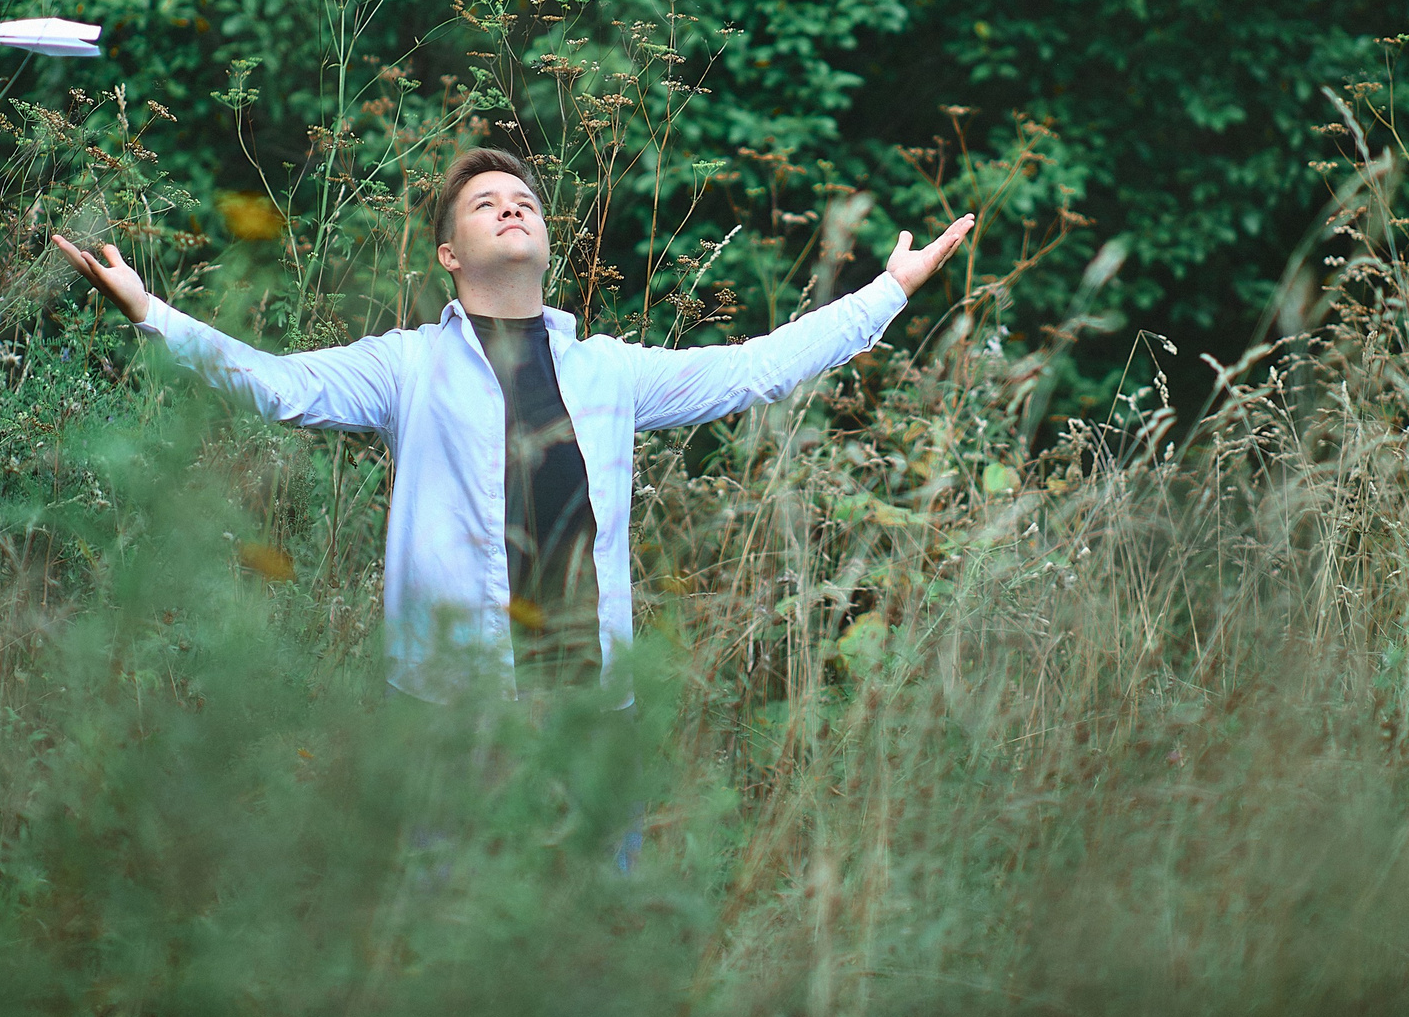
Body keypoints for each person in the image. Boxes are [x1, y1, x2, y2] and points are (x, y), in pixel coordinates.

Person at [50, 146, 974, 709]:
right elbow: (276, 385)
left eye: (524, 200)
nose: (512, 205)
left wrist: (886, 291)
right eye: (487, 203)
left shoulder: (608, 369)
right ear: (452, 253)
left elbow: (754, 367)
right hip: (452, 707)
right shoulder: (405, 366)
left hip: (588, 708)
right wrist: (150, 312)